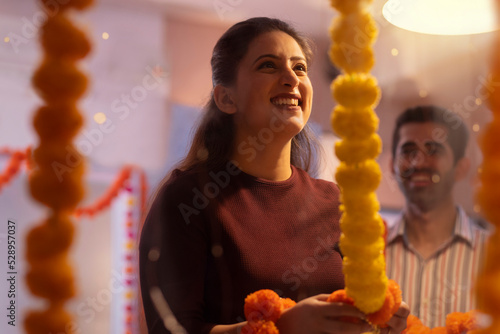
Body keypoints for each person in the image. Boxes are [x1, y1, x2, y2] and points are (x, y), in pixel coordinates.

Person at [139, 17, 409, 334]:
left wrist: (380, 323)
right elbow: (171, 330)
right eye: (268, 65)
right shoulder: (189, 198)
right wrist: (282, 327)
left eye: (300, 68)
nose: (291, 79)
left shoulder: (336, 201)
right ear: (226, 98)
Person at [385, 105, 490, 328]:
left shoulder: (492, 256)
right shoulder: (365, 254)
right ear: (392, 166)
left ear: (461, 168)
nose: (418, 162)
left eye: (434, 150)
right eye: (408, 151)